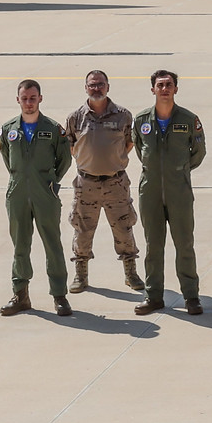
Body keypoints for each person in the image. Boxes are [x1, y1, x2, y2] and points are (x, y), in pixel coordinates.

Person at [133, 69, 206, 317]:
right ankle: (153, 296)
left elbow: (198, 152)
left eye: (169, 85)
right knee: (153, 246)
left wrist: (179, 170)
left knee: (184, 244)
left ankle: (191, 296)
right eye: (160, 85)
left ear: (176, 89)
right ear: (152, 89)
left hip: (179, 191)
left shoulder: (188, 119)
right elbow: (140, 149)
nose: (164, 89)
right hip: (150, 191)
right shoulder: (141, 120)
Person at [0, 79, 73, 317]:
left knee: (52, 244)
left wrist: (49, 181)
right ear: (17, 100)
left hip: (45, 193)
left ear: (40, 98)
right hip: (18, 192)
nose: (29, 103)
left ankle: (59, 296)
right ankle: (21, 295)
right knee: (20, 245)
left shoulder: (53, 129)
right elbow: (8, 159)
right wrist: (21, 179)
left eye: (33, 98)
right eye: (24, 98)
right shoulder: (8, 129)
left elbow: (64, 159)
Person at [63, 70, 142, 295]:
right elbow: (69, 146)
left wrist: (110, 162)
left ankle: (131, 273)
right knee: (82, 229)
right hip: (86, 184)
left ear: (108, 87)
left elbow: (129, 143)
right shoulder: (75, 117)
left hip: (115, 183)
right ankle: (81, 274)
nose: (96, 88)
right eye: (92, 85)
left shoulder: (123, 116)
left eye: (100, 85)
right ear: (85, 88)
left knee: (124, 228)